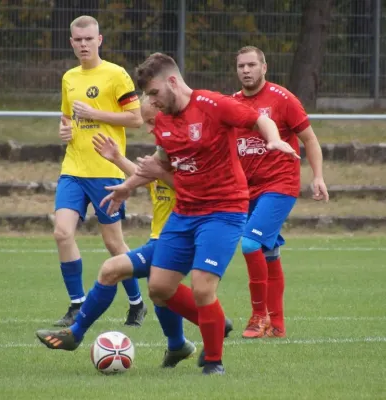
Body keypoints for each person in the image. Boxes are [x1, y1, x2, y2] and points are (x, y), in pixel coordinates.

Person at [100, 52, 299, 375]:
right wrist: (127, 187)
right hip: (185, 211)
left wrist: (274, 139)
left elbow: (259, 119)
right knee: (159, 287)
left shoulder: (213, 104)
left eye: (153, 93)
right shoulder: (163, 121)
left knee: (203, 287)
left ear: (173, 82)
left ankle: (213, 363)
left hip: (224, 209)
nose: (151, 102)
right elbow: (161, 164)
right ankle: (217, 324)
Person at [36, 98, 233, 368]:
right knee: (160, 291)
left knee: (111, 270)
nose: (151, 128)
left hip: (185, 237)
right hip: (161, 239)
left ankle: (76, 332)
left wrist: (150, 172)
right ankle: (182, 342)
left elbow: (194, 190)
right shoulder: (163, 154)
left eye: (152, 121)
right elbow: (148, 177)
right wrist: (118, 160)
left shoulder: (190, 156)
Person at [52, 15, 147, 328]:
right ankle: (77, 303)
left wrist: (95, 113)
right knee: (62, 232)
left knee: (114, 245)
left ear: (99, 40)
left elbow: (136, 119)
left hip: (107, 170)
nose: (83, 44)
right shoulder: (69, 77)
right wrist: (64, 131)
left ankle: (137, 303)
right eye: (78, 40)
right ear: (71, 42)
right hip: (73, 168)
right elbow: (66, 119)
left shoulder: (116, 75)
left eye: (88, 39)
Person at [232, 46, 329, 339]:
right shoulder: (232, 103)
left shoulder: (283, 99)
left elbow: (310, 139)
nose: (246, 71)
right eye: (241, 66)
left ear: (264, 67)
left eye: (251, 65)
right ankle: (278, 324)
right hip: (245, 189)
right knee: (269, 252)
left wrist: (318, 177)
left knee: (250, 244)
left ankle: (259, 316)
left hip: (280, 184)